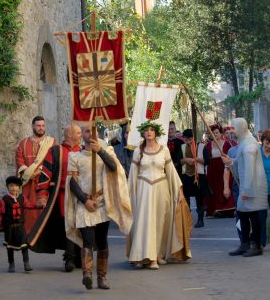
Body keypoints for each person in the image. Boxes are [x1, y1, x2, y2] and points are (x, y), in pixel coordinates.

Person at [65, 125, 132, 290]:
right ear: (82, 135)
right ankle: (87, 274)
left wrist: (100, 151)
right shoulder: (75, 156)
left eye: (92, 130)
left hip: (102, 203)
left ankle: (101, 277)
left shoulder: (106, 151)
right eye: (87, 131)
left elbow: (115, 168)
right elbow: (72, 182)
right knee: (88, 240)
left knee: (102, 241)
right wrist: (85, 200)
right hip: (84, 202)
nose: (90, 133)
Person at [127, 120, 191, 269]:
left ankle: (159, 254)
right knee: (145, 222)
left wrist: (179, 190)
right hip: (144, 189)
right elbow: (132, 174)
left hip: (161, 188)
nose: (149, 132)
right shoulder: (138, 151)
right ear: (143, 133)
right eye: (146, 130)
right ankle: (146, 256)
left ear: (156, 133)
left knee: (161, 221)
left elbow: (171, 172)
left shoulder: (164, 150)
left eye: (151, 130)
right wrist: (129, 193)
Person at [27, 124, 82, 272]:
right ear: (69, 134)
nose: (81, 135)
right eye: (78, 133)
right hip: (63, 195)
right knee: (70, 224)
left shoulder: (83, 151)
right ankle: (69, 258)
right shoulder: (56, 151)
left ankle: (78, 257)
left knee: (81, 225)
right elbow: (45, 174)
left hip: (82, 196)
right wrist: (42, 196)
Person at [223, 118, 268, 257]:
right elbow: (241, 161)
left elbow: (249, 169)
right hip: (247, 186)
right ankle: (245, 243)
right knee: (242, 213)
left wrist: (246, 190)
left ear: (242, 128)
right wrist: (231, 161)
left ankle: (256, 245)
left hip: (253, 186)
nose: (231, 131)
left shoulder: (249, 145)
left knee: (254, 215)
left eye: (233, 128)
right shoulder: (244, 144)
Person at [15, 116, 56, 235]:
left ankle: (43, 236)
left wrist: (39, 171)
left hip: (43, 182)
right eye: (38, 126)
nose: (41, 128)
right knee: (28, 210)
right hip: (27, 183)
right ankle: (28, 235)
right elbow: (19, 160)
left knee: (43, 208)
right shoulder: (23, 143)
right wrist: (27, 173)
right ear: (33, 126)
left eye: (43, 126)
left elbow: (53, 160)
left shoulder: (51, 143)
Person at [0, 176, 41, 273]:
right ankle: (11, 264)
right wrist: (0, 225)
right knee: (10, 247)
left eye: (16, 186)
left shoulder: (22, 198)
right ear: (8, 187)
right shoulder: (3, 200)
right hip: (9, 228)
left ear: (19, 187)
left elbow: (29, 205)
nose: (14, 188)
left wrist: (38, 205)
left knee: (24, 245)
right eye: (11, 186)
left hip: (20, 227)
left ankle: (26, 263)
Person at [180, 129, 212, 228]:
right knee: (186, 199)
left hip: (199, 176)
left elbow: (208, 161)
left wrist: (196, 159)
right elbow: (179, 161)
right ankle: (187, 219)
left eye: (190, 139)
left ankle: (200, 220)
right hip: (186, 175)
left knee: (199, 199)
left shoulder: (202, 146)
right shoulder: (182, 147)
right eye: (186, 139)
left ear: (193, 138)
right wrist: (186, 160)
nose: (188, 141)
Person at [205, 124, 235, 218]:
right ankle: (217, 209)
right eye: (213, 133)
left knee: (225, 186)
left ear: (220, 133)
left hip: (224, 168)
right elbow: (207, 158)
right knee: (215, 189)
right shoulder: (208, 145)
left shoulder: (226, 143)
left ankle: (229, 208)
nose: (215, 134)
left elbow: (230, 157)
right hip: (213, 170)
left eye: (217, 132)